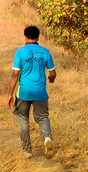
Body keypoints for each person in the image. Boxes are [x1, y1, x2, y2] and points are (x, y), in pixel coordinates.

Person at [7, 25, 57, 159]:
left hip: (23, 92)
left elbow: (15, 74)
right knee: (42, 117)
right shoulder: (45, 52)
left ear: (25, 37)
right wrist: (51, 79)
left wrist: (10, 94)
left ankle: (27, 150)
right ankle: (47, 138)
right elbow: (53, 73)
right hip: (40, 92)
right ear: (38, 37)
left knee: (22, 119)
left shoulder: (20, 52)